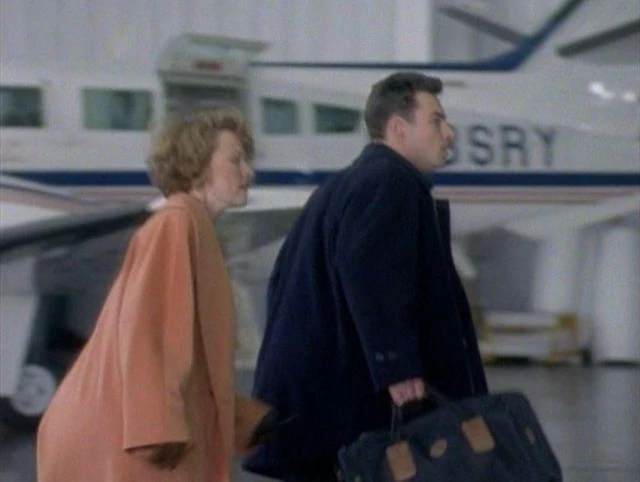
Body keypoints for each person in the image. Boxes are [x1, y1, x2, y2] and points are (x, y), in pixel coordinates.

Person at [245, 72, 489, 481]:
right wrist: (396, 365)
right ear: (398, 128)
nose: (448, 134)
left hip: (317, 399)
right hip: (348, 408)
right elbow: (372, 277)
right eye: (436, 121)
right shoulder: (388, 183)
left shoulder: (347, 183)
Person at [37, 107, 271, 482]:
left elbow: (190, 357)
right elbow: (148, 332)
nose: (249, 172)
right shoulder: (177, 223)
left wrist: (244, 421)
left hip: (120, 430)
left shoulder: (188, 224)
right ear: (197, 163)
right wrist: (158, 428)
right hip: (123, 437)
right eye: (236, 160)